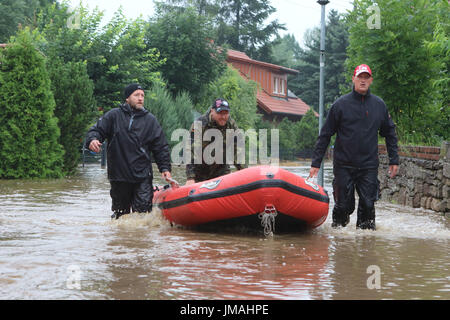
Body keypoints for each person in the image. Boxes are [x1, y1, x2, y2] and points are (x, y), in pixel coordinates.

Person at [308, 64, 399, 230]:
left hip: (368, 165)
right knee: (344, 206)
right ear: (354, 79)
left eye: (366, 78)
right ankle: (339, 235)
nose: (363, 81)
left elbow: (390, 133)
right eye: (360, 77)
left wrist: (394, 159)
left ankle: (365, 245)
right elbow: (325, 134)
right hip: (344, 165)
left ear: (371, 80)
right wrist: (316, 163)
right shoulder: (340, 105)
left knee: (368, 204)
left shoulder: (379, 105)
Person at [86, 83, 173, 219]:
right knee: (121, 216)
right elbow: (96, 130)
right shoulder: (113, 116)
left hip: (142, 176)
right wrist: (93, 140)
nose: (140, 98)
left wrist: (165, 168)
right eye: (136, 95)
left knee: (142, 217)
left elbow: (160, 146)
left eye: (142, 95)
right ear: (127, 98)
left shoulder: (150, 120)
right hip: (119, 176)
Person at [185, 98, 245, 185]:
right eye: (220, 113)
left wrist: (244, 172)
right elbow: (191, 151)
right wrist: (190, 177)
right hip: (200, 171)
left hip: (221, 169)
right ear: (212, 111)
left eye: (226, 113)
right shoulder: (200, 124)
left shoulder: (231, 124)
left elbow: (237, 149)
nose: (224, 117)